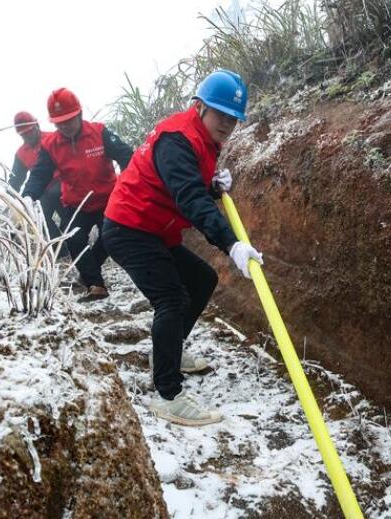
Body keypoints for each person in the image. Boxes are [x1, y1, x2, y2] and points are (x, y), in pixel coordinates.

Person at [102, 70, 263, 426]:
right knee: (171, 298)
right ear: (200, 106)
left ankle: (168, 351)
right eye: (221, 114)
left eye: (233, 118)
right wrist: (232, 243)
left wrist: (212, 186)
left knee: (202, 279)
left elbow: (186, 185)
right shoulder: (177, 138)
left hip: (154, 228)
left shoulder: (201, 137)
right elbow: (188, 198)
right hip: (130, 228)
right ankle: (168, 393)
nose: (227, 124)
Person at [23, 88, 133, 301]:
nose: (64, 126)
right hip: (75, 203)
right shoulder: (50, 146)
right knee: (74, 239)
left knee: (112, 237)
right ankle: (95, 285)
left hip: (109, 199)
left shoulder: (100, 132)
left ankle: (90, 269)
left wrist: (127, 186)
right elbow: (39, 176)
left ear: (79, 114)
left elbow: (126, 155)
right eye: (59, 122)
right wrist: (28, 195)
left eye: (69, 120)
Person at [9, 111, 68, 255]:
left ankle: (77, 244)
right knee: (37, 214)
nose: (28, 136)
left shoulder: (53, 138)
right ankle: (61, 250)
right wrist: (10, 200)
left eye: (30, 131)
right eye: (23, 134)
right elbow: (15, 180)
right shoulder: (21, 154)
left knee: (69, 218)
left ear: (37, 126)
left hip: (65, 185)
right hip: (43, 190)